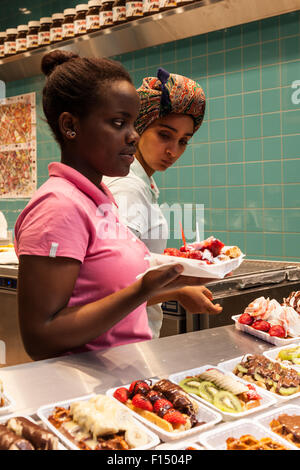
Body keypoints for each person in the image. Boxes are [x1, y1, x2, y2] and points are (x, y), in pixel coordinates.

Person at [14, 51, 217, 361]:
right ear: (71, 126)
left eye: (134, 123)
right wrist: (142, 289)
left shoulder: (99, 196)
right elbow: (41, 337)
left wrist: (168, 288)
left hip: (121, 381)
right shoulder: (58, 206)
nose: (133, 136)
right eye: (119, 123)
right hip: (84, 392)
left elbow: (102, 291)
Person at [103, 68, 223, 338]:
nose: (173, 151)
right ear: (139, 127)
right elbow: (113, 290)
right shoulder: (127, 188)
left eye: (183, 141)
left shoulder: (141, 182)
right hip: (122, 342)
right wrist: (178, 290)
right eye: (165, 135)